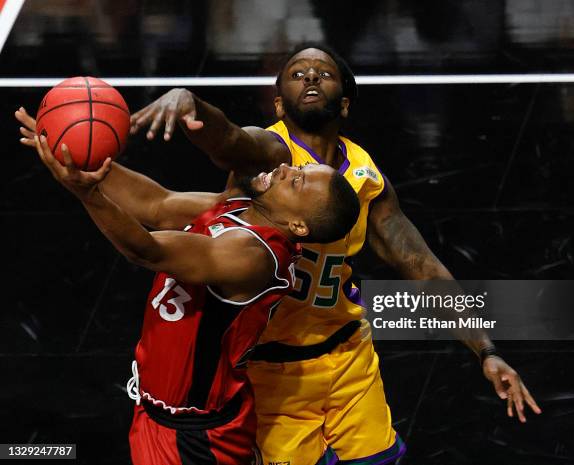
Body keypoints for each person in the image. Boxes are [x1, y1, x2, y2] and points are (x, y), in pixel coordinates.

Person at [17, 42, 541, 464]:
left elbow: (420, 265)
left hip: (346, 355)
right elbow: (221, 147)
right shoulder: (269, 159)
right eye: (295, 73)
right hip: (272, 375)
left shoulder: (360, 178)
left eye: (323, 72)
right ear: (276, 103)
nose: (310, 77)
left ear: (346, 101)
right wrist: (189, 103)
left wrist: (487, 350)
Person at [28, 132, 360, 465]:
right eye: (296, 168)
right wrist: (77, 152)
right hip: (161, 412)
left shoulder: (253, 257)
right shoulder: (240, 206)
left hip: (194, 439)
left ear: (297, 225)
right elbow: (156, 204)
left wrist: (87, 193)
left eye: (297, 183)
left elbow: (146, 250)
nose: (286, 169)